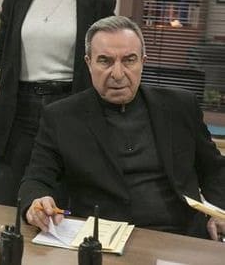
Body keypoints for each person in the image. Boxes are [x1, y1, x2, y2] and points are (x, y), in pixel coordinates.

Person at [19, 15, 225, 240]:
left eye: (129, 60)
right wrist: (36, 202)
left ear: (142, 62)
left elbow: (215, 171)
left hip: (180, 237)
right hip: (99, 238)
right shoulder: (61, 117)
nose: (117, 74)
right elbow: (37, 178)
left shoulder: (180, 107)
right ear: (89, 63)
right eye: (105, 61)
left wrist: (218, 212)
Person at [0, 0, 117, 205]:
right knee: (3, 199)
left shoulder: (98, 1)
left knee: (58, 200)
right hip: (18, 106)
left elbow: (104, 59)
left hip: (69, 104)